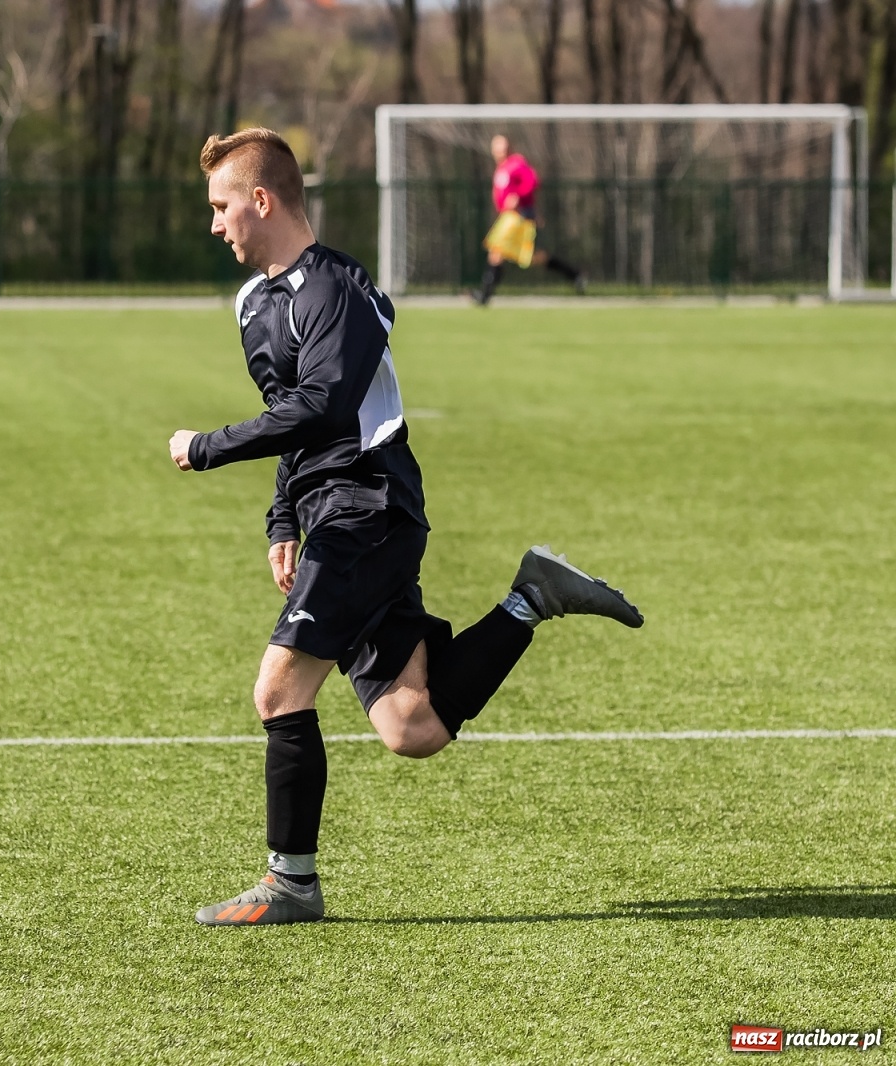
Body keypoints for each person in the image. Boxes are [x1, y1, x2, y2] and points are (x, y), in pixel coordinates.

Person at [169, 127, 642, 927]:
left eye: (222, 207)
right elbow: (292, 421)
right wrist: (283, 516)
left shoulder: (340, 289)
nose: (215, 226)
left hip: (370, 509)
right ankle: (531, 597)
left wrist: (205, 448)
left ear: (262, 200)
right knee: (411, 725)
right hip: (329, 516)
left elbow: (324, 406)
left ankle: (291, 886)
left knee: (279, 690)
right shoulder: (253, 307)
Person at [475, 134, 586, 305]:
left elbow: (532, 180)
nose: (499, 151)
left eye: (502, 147)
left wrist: (518, 196)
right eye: (496, 148)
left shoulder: (516, 164)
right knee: (525, 256)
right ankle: (574, 274)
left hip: (518, 216)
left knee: (502, 252)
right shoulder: (502, 167)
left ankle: (485, 295)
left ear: (509, 147)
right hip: (508, 217)